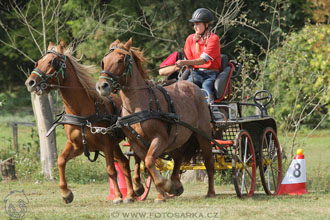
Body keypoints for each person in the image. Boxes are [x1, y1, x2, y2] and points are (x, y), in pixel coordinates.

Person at [175, 8, 221, 103]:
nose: (195, 27)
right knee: (185, 86)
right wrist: (184, 64)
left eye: (198, 24)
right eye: (194, 24)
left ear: (206, 25)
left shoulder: (214, 39)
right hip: (195, 73)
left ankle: (210, 108)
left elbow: (203, 60)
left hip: (210, 74)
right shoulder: (190, 39)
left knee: (206, 86)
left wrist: (184, 62)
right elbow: (189, 61)